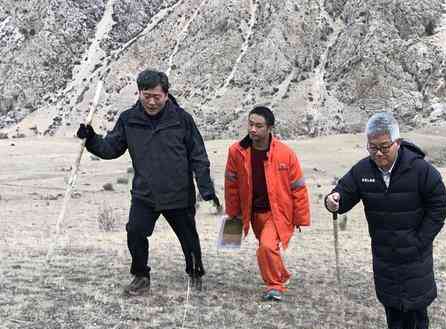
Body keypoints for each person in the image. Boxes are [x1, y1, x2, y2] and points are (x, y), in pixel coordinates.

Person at [77, 69, 220, 296]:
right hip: (145, 193)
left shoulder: (182, 119)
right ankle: (141, 276)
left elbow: (198, 155)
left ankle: (195, 273)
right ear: (139, 93)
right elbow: (111, 148)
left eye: (157, 96)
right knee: (135, 232)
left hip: (178, 193)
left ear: (166, 94)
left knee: (189, 238)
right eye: (147, 96)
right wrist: (91, 139)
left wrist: (206, 189)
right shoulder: (128, 119)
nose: (152, 102)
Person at [324, 112, 446, 329]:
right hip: (383, 249)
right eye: (373, 148)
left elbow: (438, 206)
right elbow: (343, 193)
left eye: (384, 147)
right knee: (390, 297)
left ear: (397, 143)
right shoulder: (362, 170)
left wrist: (421, 240)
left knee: (417, 297)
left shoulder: (422, 170)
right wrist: (333, 200)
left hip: (415, 249)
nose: (379, 153)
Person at [223, 106, 310, 301]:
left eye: (259, 126)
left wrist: (300, 217)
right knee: (268, 247)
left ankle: (275, 286)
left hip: (279, 212)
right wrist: (233, 213)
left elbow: (298, 187)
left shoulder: (285, 153)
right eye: (250, 124)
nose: (253, 129)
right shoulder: (236, 151)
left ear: (270, 128)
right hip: (253, 213)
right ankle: (282, 275)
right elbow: (231, 184)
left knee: (267, 246)